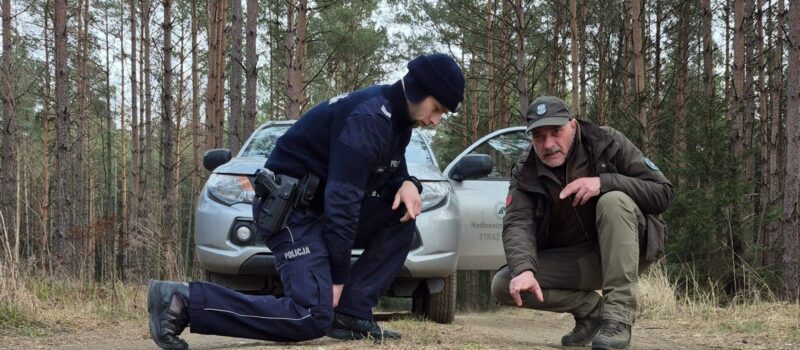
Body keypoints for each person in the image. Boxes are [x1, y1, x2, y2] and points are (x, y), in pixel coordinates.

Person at [147, 53, 465, 349]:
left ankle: (352, 315)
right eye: (436, 108)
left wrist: (409, 184)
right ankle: (180, 300)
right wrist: (338, 279)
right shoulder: (367, 119)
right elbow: (343, 204)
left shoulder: (397, 122)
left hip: (318, 212)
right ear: (416, 90)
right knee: (311, 316)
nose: (436, 120)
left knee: (402, 214)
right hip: (290, 216)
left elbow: (391, 172)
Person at [490, 96, 674, 350]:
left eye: (556, 132)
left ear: (573, 126)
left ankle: (617, 319)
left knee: (614, 201)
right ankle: (590, 311)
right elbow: (517, 222)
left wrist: (604, 182)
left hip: (630, 248)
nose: (549, 144)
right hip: (578, 259)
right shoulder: (526, 169)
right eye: (539, 136)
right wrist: (524, 269)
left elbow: (663, 193)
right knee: (504, 284)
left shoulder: (607, 141)